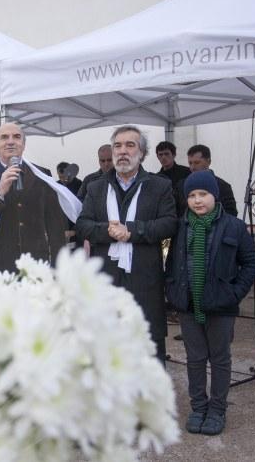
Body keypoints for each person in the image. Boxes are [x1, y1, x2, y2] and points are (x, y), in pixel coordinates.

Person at [165, 171, 255, 436]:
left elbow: (250, 263)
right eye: (192, 196)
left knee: (219, 359)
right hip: (188, 304)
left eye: (203, 194)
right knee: (194, 359)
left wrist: (234, 293)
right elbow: (169, 262)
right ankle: (198, 407)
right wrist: (172, 290)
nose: (197, 201)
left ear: (214, 196)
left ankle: (217, 410)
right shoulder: (179, 227)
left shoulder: (233, 226)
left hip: (221, 305)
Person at [76, 125, 177, 363]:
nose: (123, 151)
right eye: (117, 146)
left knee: (148, 346)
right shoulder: (96, 187)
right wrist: (109, 231)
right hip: (106, 279)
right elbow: (82, 224)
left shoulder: (159, 186)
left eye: (130, 145)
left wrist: (132, 231)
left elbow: (169, 224)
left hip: (145, 278)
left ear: (142, 153)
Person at [0, 123, 80, 275]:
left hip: (38, 264)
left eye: (17, 137)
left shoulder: (42, 174)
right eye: (4, 137)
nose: (11, 141)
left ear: (23, 144)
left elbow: (55, 225)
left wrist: (58, 268)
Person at [173, 145, 238, 218]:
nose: (192, 167)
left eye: (197, 163)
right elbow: (175, 212)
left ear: (209, 162)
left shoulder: (223, 186)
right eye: (190, 163)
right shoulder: (180, 186)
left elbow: (231, 213)